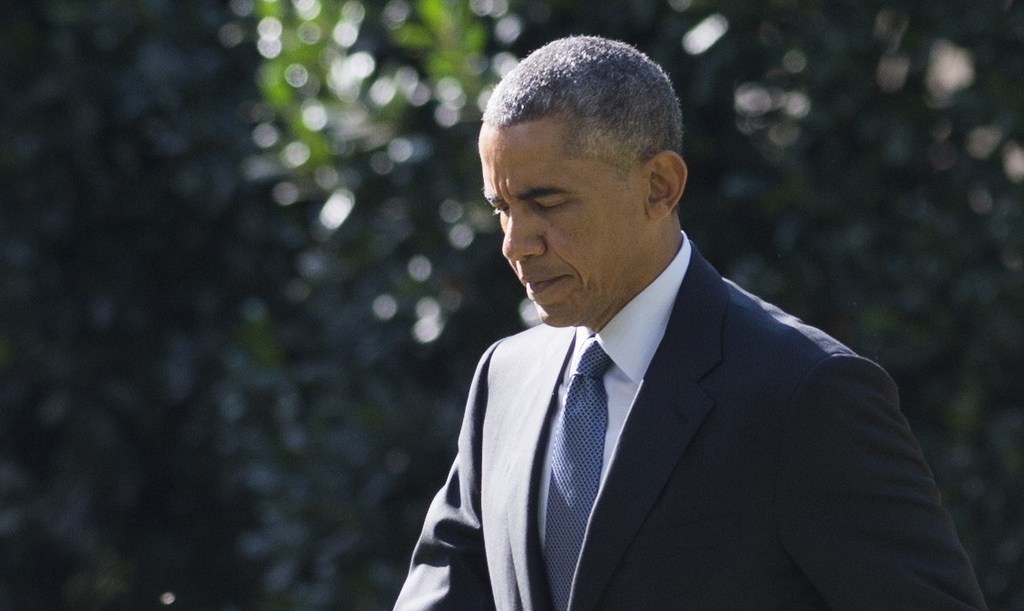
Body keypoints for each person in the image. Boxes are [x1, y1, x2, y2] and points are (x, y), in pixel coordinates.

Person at [394, 35, 987, 610]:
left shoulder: (807, 394)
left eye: (546, 204)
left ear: (660, 186)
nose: (515, 244)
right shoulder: (505, 379)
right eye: (502, 209)